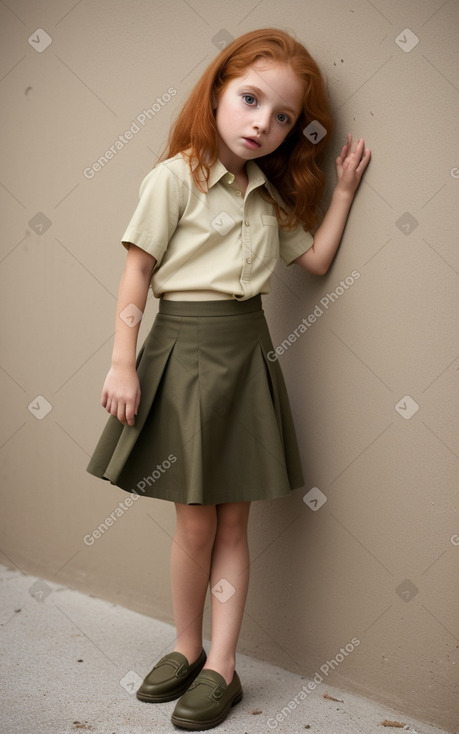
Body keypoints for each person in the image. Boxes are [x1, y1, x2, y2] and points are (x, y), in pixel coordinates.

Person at [86, 27, 370, 731]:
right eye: (249, 100)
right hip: (179, 353)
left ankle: (223, 667)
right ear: (216, 92)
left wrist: (341, 193)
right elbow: (136, 274)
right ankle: (186, 647)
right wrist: (122, 362)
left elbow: (315, 262)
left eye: (281, 117)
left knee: (234, 523)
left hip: (247, 355)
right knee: (191, 524)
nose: (262, 125)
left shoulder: (269, 197)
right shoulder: (174, 177)